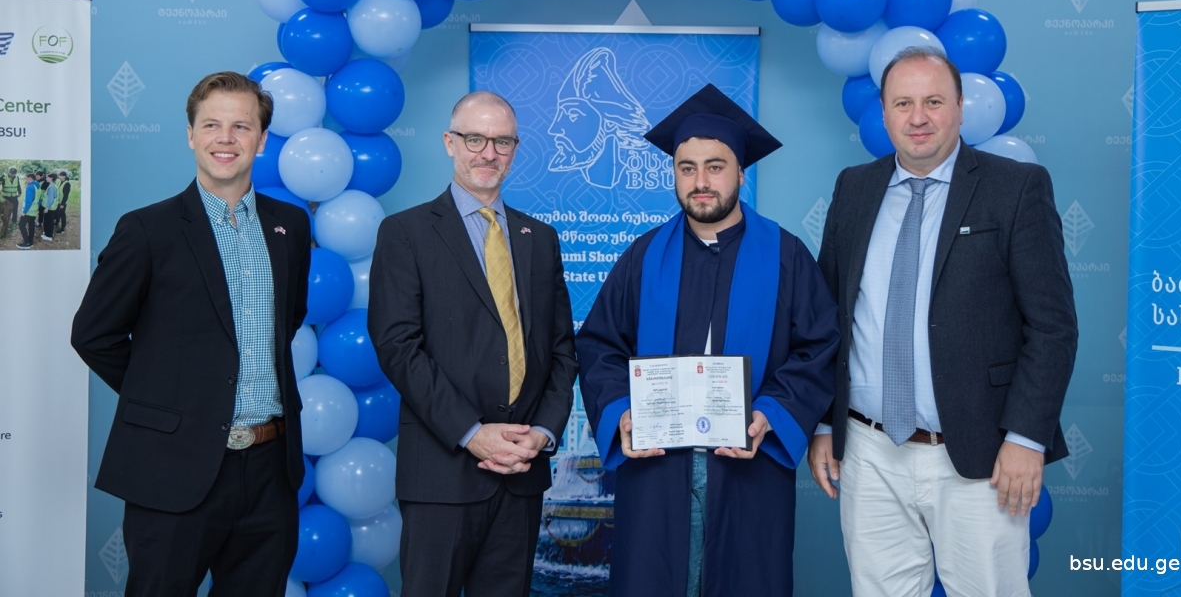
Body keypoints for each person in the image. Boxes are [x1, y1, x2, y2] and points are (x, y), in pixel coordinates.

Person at [808, 48, 1078, 597]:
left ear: (959, 107)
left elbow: (1053, 327)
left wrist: (1026, 437)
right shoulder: (853, 188)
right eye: (902, 103)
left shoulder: (1015, 187)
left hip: (980, 453)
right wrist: (824, 424)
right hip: (869, 451)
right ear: (884, 113)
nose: (918, 117)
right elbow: (827, 316)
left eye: (933, 101)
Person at [575, 83, 841, 597]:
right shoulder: (643, 256)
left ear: (741, 172)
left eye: (715, 167)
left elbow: (819, 347)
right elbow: (599, 344)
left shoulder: (785, 255)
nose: (700, 182)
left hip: (748, 467)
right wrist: (623, 413)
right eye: (687, 168)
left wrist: (769, 414)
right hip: (657, 471)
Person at [71, 71, 312, 596]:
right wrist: (170, 401)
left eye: (241, 126)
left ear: (261, 140)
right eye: (211, 125)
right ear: (190, 135)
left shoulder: (290, 226)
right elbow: (93, 334)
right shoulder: (146, 230)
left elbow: (288, 319)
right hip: (172, 466)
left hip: (270, 469)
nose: (226, 138)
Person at [368, 90, 577, 597]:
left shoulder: (540, 237)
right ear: (450, 143)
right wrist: (471, 432)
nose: (489, 153)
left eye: (502, 142)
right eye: (475, 139)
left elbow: (562, 351)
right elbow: (398, 347)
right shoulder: (405, 232)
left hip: (522, 471)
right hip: (441, 472)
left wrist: (542, 433)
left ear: (515, 148)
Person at [16, 173, 40, 250]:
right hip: (34, 211)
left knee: (21, 225)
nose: (25, 180)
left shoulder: (30, 187)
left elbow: (29, 201)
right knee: (31, 226)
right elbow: (39, 199)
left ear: (30, 178)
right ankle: (30, 241)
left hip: (29, 211)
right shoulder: (37, 185)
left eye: (26, 178)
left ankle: (27, 242)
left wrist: (24, 211)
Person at [1, 166, 20, 237]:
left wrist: (20, 192)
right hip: (6, 197)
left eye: (13, 173)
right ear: (8, 172)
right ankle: (5, 221)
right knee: (5, 210)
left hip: (14, 196)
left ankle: (14, 220)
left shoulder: (17, 178)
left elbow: (18, 186)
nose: (12, 174)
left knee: (15, 208)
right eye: (11, 173)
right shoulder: (3, 177)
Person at [40, 171, 59, 242]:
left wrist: (47, 207)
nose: (46, 178)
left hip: (50, 208)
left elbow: (50, 198)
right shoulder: (52, 185)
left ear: (51, 178)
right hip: (51, 207)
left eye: (47, 177)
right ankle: (47, 233)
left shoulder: (51, 187)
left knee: (48, 222)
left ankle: (48, 236)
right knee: (48, 221)